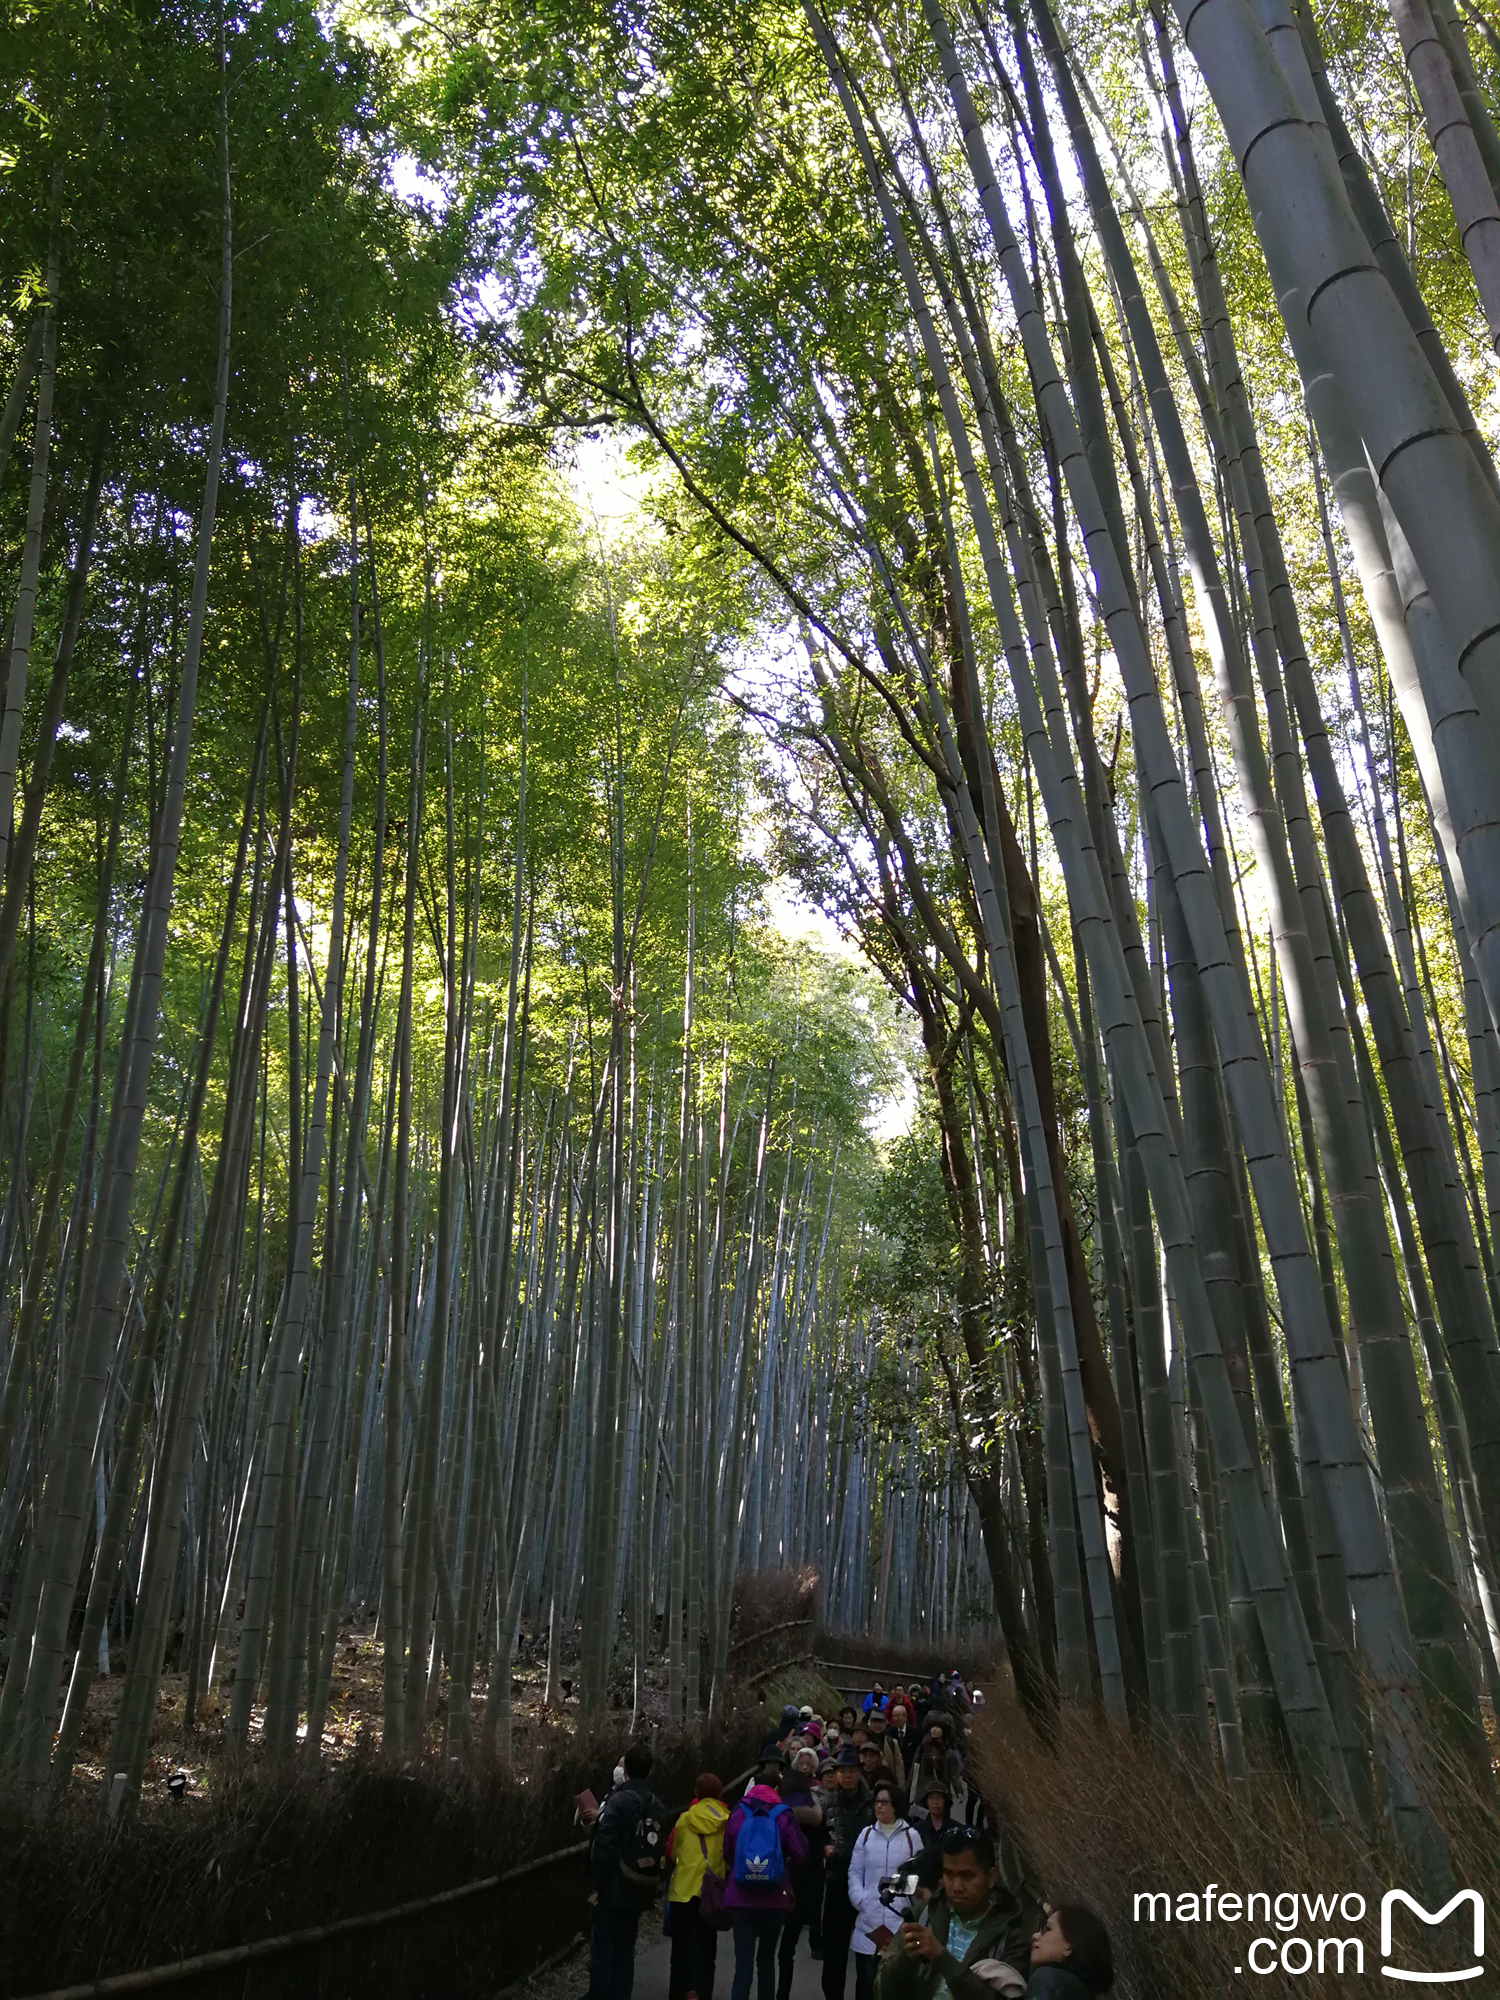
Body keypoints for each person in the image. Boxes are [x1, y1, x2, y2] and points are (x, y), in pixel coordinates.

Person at [876, 1828, 1032, 2000]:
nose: (957, 1887)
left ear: (991, 1877)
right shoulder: (925, 1914)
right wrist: (907, 1958)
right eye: (949, 1874)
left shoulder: (1011, 1932)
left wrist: (941, 1958)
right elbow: (882, 1991)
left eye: (967, 1876)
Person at [588, 1741, 673, 2000]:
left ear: (625, 1770)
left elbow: (604, 1844)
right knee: (626, 1948)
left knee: (603, 1948)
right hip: (640, 1883)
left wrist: (594, 1884)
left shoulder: (619, 1800)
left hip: (613, 1884)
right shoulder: (656, 1802)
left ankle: (601, 1995)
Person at [724, 1751, 809, 2000]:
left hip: (740, 1896)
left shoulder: (737, 1812)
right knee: (766, 1962)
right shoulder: (783, 1814)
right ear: (776, 1788)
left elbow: (726, 1851)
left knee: (743, 1965)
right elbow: (802, 1852)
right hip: (774, 1897)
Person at [848, 1782, 922, 2000]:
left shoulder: (911, 1837)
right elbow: (854, 1870)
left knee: (892, 1987)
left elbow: (919, 1876)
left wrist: (909, 1905)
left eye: (884, 1802)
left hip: (898, 1921)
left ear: (895, 1805)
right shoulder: (866, 1835)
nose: (879, 1806)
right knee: (865, 1984)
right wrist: (860, 1899)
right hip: (868, 1920)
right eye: (877, 1801)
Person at [667, 1773, 730, 2000]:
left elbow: (674, 1853)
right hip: (710, 1893)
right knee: (706, 1949)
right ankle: (703, 1992)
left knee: (681, 1950)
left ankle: (678, 1992)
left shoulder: (685, 1818)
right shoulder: (727, 1820)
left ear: (696, 1793)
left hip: (683, 1891)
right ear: (719, 1793)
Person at [820, 1745, 872, 2000]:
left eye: (852, 1771)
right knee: (835, 1951)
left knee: (867, 1950)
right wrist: (825, 1848)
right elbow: (816, 1837)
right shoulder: (827, 1803)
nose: (848, 1776)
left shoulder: (872, 1802)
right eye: (843, 1771)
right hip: (838, 1881)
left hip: (867, 1884)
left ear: (859, 1772)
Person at [776, 1746, 827, 1997]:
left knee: (769, 1951)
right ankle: (783, 1990)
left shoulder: (775, 1814)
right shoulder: (815, 1814)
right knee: (789, 1946)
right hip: (804, 1886)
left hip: (774, 1884)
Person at [1025, 1907, 1113, 1996]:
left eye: (1048, 1929)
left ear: (1069, 1947)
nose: (1035, 1936)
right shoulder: (1078, 1991)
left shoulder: (1047, 1979)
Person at [914, 1720, 964, 1796]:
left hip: (942, 1791)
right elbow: (914, 1770)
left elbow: (953, 1774)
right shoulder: (923, 1747)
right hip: (924, 1792)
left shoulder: (948, 1752)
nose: (934, 1729)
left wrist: (959, 1791)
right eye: (932, 1727)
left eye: (937, 1727)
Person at [865, 1708, 904, 1789]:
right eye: (874, 1722)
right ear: (870, 1723)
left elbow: (899, 1766)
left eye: (880, 1722)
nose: (877, 1725)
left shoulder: (892, 1742)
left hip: (889, 1784)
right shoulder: (864, 1741)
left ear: (885, 1724)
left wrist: (900, 1788)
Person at [912, 1785, 954, 1849]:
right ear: (926, 1802)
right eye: (931, 1798)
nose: (935, 1802)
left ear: (945, 1801)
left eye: (939, 1798)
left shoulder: (955, 1828)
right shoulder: (917, 1829)